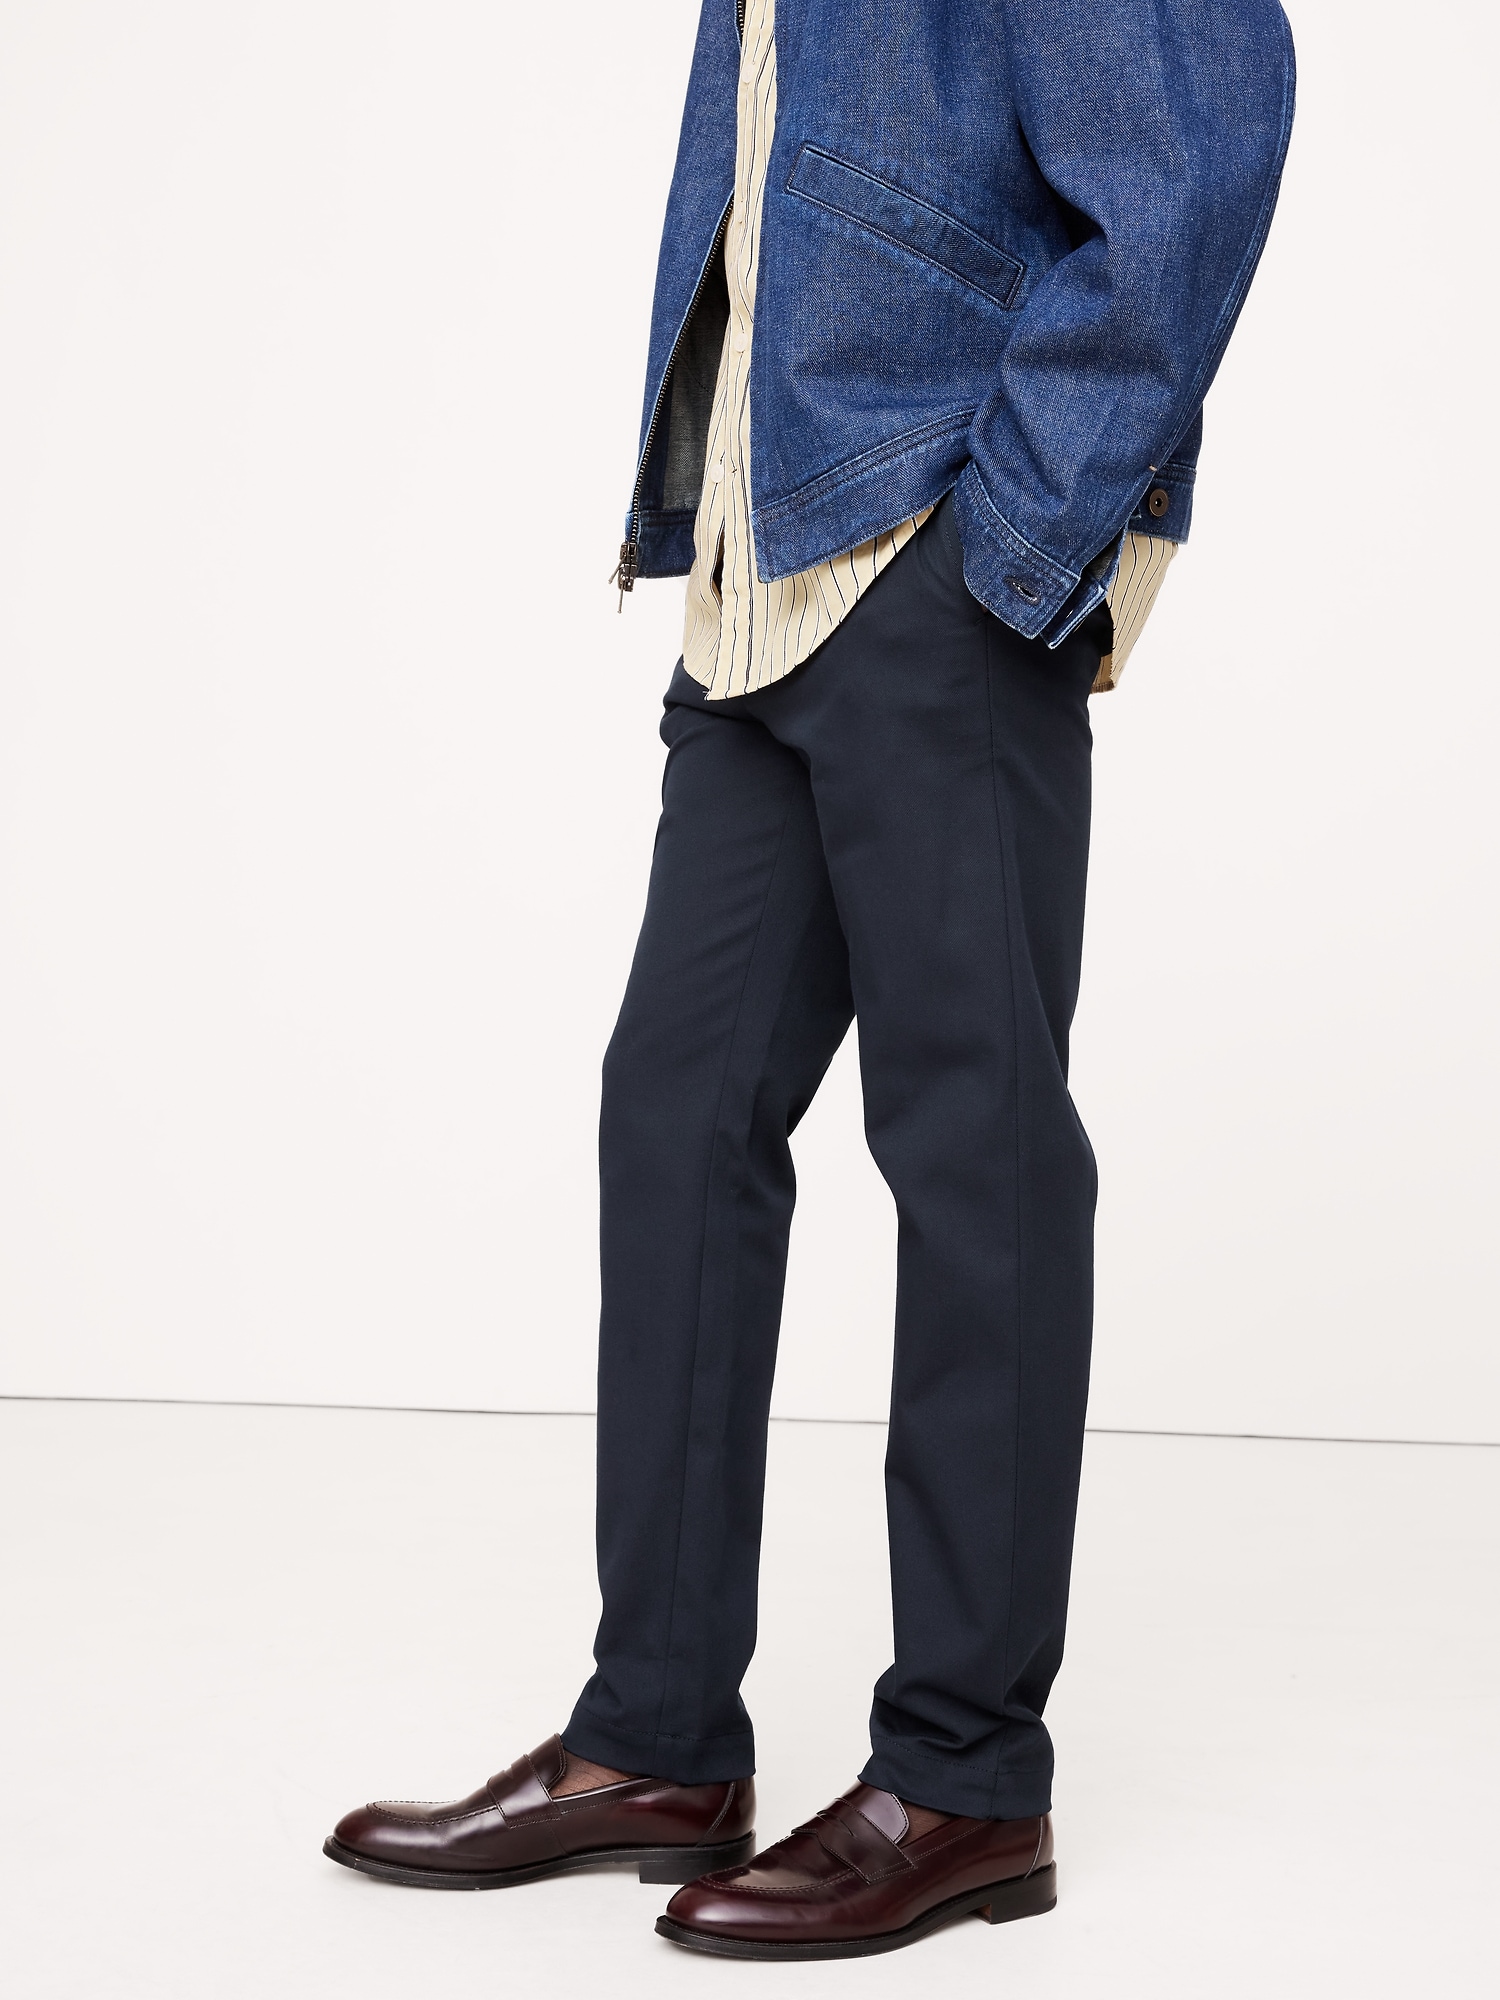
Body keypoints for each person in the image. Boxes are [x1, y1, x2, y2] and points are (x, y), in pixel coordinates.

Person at [323, 0, 1295, 1961]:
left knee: (972, 1147)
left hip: (931, 552)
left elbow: (1195, 155)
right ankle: (657, 1737)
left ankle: (966, 1777)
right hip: (766, 556)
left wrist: (1015, 534)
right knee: (676, 1116)